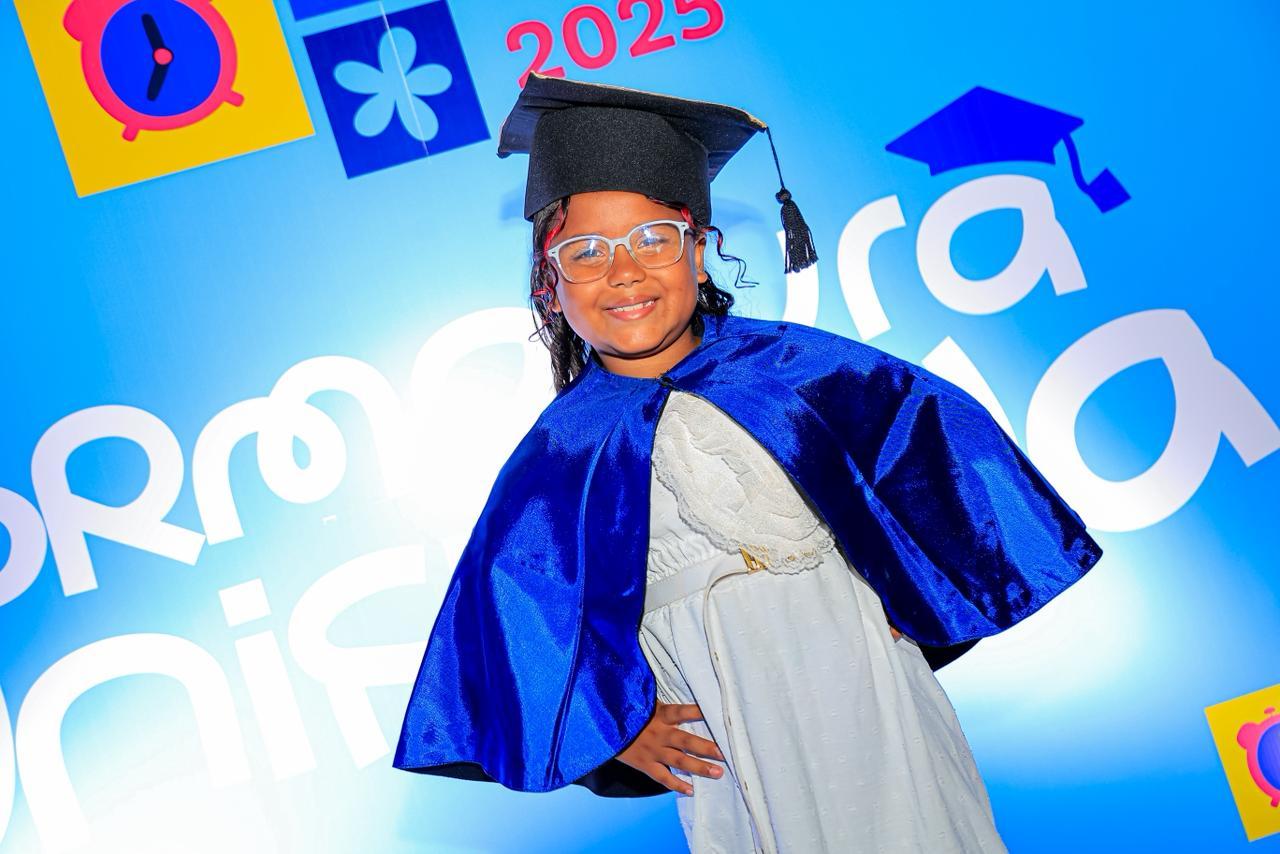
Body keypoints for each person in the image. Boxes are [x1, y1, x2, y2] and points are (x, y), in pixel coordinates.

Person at [394, 73, 1103, 854]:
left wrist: (916, 591)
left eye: (653, 240)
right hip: (724, 728)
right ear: (550, 287)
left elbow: (932, 470)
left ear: (698, 254)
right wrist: (612, 738)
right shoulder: (560, 456)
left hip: (867, 682)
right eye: (585, 252)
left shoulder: (798, 372)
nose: (624, 272)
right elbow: (520, 632)